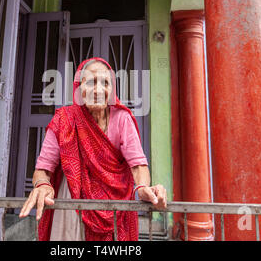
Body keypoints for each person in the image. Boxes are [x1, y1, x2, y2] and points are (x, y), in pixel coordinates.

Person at [19, 57, 167, 241]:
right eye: (90, 82)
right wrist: (42, 184)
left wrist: (143, 187)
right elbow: (43, 168)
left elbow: (138, 165)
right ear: (79, 89)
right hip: (72, 206)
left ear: (111, 89)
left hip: (114, 209)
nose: (98, 90)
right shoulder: (64, 119)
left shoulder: (122, 118)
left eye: (105, 82)